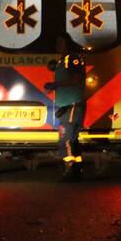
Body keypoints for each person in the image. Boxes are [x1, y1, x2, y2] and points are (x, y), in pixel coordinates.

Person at [45, 33, 87, 181]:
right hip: (65, 105)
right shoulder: (62, 60)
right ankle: (76, 169)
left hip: (73, 104)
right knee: (72, 140)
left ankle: (70, 169)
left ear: (68, 44)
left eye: (61, 43)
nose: (58, 46)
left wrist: (55, 84)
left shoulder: (73, 59)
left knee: (66, 139)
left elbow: (76, 79)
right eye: (57, 43)